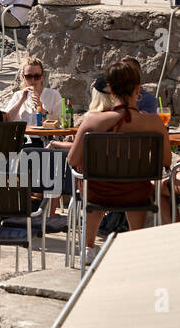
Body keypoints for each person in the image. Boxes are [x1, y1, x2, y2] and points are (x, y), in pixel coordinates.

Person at [67, 58, 170, 265]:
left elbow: (72, 160)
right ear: (138, 89)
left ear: (111, 91)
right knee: (137, 186)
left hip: (98, 194)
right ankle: (136, 244)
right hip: (136, 194)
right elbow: (166, 161)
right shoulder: (153, 123)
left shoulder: (92, 122)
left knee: (92, 183)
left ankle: (88, 247)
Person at [0, 56, 61, 123]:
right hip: (23, 133)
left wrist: (42, 110)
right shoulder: (18, 95)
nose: (33, 80)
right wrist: (21, 100)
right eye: (28, 76)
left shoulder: (53, 95)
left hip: (44, 133)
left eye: (37, 76)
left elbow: (59, 122)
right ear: (23, 77)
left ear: (42, 76)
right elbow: (6, 120)